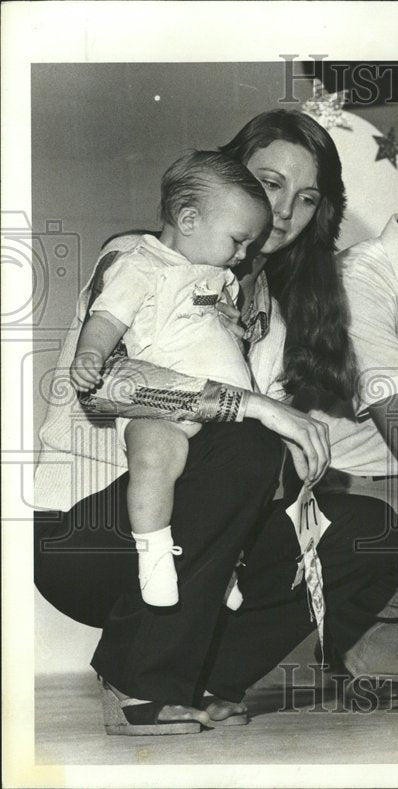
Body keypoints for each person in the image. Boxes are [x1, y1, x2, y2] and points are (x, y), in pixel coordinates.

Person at [34, 109, 398, 734]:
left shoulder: (268, 314)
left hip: (189, 542)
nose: (285, 210)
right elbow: (106, 388)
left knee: (366, 535)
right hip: (87, 538)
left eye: (307, 198)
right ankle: (137, 682)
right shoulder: (142, 258)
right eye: (269, 182)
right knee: (247, 440)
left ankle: (204, 678)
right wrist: (253, 405)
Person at [68, 150, 271, 607]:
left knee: (238, 484)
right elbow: (106, 319)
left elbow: (222, 323)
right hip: (160, 407)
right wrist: (90, 354)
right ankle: (154, 554)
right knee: (155, 463)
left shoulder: (217, 275)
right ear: (189, 218)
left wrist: (233, 324)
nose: (243, 255)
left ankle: (222, 565)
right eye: (237, 241)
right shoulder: (139, 265)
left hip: (220, 410)